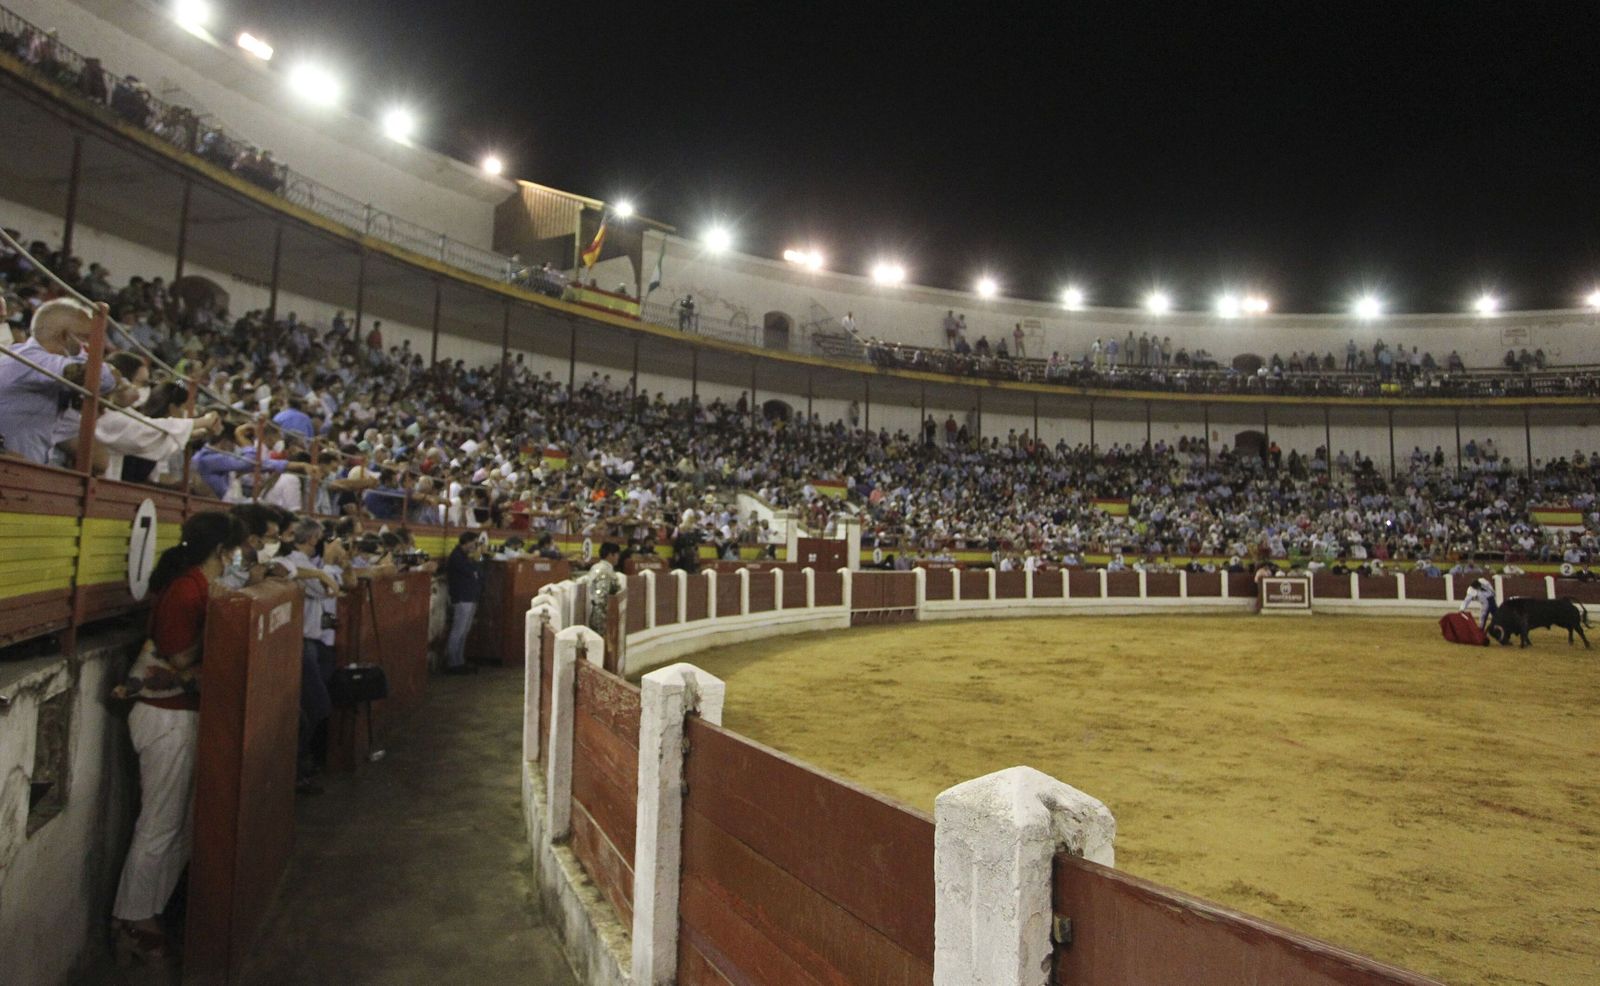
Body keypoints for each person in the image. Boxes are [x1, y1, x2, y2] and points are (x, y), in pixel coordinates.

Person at [110, 511, 246, 965]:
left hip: (175, 715)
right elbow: (176, 657)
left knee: (179, 825)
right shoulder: (189, 589)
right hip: (163, 716)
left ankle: (149, 910)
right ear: (222, 551)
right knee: (160, 823)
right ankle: (132, 920)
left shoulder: (197, 586)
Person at [0, 298, 119, 463]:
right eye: (84, 338)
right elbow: (102, 377)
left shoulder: (30, 359)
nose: (88, 347)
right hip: (12, 471)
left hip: (23, 468)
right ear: (65, 336)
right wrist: (100, 368)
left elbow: (105, 381)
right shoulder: (33, 360)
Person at [444, 533, 484, 675]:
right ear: (466, 543)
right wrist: (477, 562)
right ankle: (453, 663)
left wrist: (477, 562)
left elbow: (479, 573)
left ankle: (459, 661)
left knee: (464, 630)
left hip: (469, 596)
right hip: (462, 597)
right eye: (474, 543)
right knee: (459, 630)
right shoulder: (457, 557)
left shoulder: (464, 557)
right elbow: (473, 572)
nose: (475, 546)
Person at [586, 541, 623, 634]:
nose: (618, 557)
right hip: (599, 614)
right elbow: (600, 597)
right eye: (617, 554)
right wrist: (602, 619)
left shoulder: (597, 567)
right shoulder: (604, 570)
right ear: (610, 555)